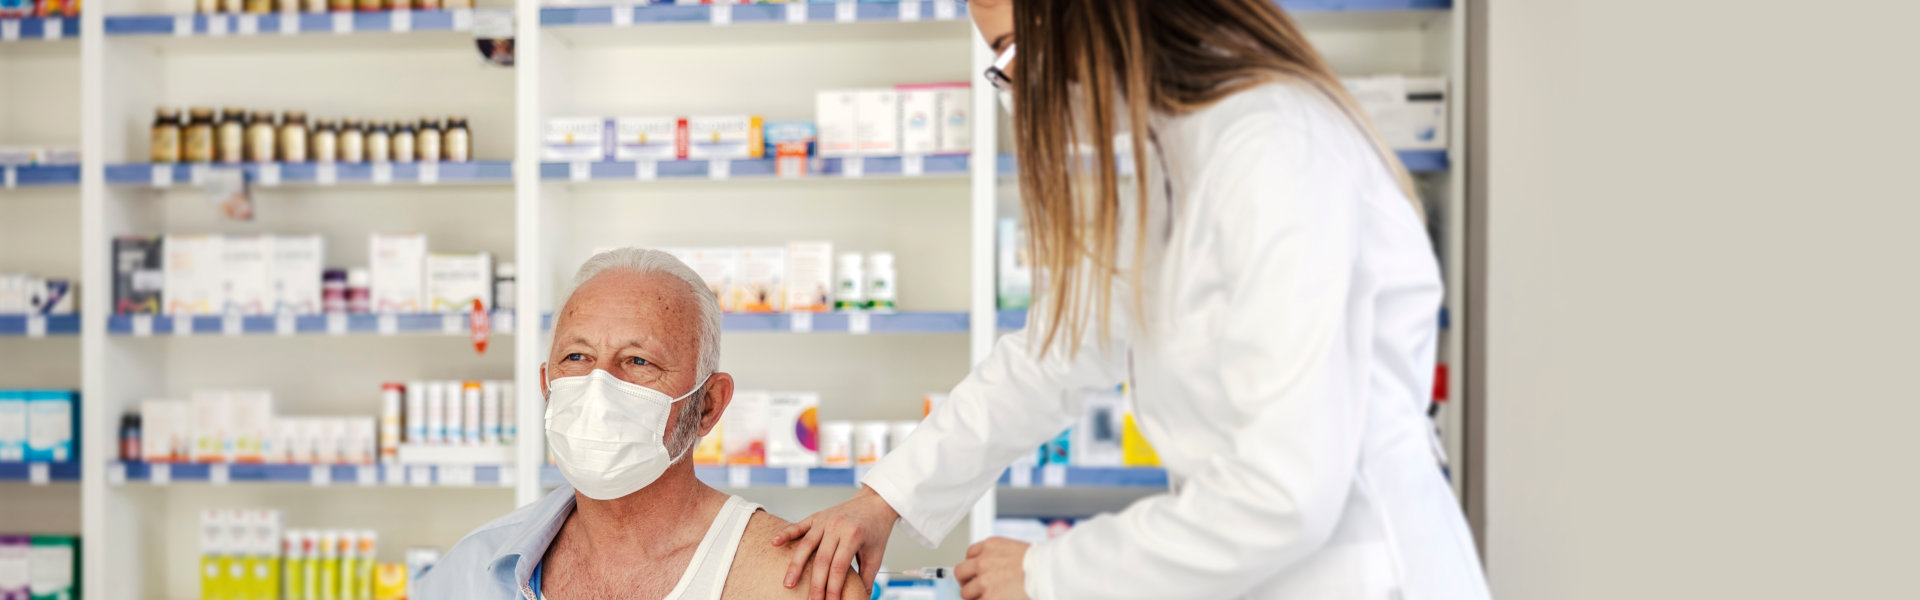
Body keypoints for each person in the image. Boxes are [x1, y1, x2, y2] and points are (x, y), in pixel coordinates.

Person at [772, 1, 1493, 599]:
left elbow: (1286, 492)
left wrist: (1047, 574)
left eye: (1013, 53)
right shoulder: (1164, 155)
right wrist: (885, 502)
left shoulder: (1273, 147)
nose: (1019, 89)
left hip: (1360, 573)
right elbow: (1052, 355)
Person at [418, 248, 866, 600]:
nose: (599, 387)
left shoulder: (798, 584)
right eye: (577, 357)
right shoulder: (472, 572)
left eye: (638, 361)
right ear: (546, 384)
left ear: (708, 405)